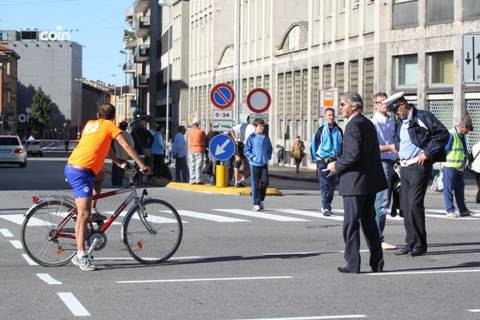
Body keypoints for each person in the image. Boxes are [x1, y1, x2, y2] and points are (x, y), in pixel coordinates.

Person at [64, 103, 150, 271]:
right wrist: (141, 164)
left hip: (76, 167)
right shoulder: (110, 126)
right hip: (81, 172)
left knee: (101, 176)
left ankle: (93, 210)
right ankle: (80, 256)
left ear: (98, 114)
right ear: (113, 117)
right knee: (83, 215)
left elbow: (103, 146)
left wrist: (117, 161)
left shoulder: (90, 124)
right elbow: (125, 145)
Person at [326, 92, 387, 274]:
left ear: (354, 107)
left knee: (351, 224)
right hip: (369, 182)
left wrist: (336, 165)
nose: (340, 107)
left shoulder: (353, 125)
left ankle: (352, 264)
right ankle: (377, 262)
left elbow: (353, 155)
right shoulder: (367, 123)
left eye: (343, 104)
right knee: (369, 223)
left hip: (355, 182)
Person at [384, 92, 449, 257]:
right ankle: (410, 242)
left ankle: (420, 245)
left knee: (414, 205)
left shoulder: (423, 116)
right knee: (405, 207)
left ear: (402, 104)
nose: (395, 114)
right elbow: (398, 138)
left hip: (419, 167)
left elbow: (442, 134)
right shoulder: (400, 121)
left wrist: (427, 153)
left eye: (396, 110)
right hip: (404, 168)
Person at [371, 92, 399, 250]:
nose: (385, 105)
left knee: (388, 200)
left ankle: (376, 236)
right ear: (375, 105)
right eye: (381, 102)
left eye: (386, 102)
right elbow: (372, 148)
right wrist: (389, 147)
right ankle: (377, 239)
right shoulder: (375, 122)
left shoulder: (391, 120)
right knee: (381, 202)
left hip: (393, 161)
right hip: (382, 162)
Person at [311, 108, 343, 216]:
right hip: (323, 161)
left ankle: (327, 204)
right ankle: (326, 207)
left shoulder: (339, 130)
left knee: (332, 185)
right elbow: (314, 144)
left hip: (334, 160)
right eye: (329, 115)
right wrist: (316, 158)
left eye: (333, 115)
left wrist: (341, 158)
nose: (331, 117)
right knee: (325, 184)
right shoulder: (320, 130)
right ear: (325, 116)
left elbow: (342, 145)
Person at [442, 114, 474, 218]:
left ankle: (463, 210)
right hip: (450, 166)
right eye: (467, 130)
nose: (468, 133)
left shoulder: (461, 135)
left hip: (459, 167)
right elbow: (444, 149)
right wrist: (441, 162)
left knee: (460, 190)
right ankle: (450, 210)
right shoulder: (452, 134)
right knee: (448, 189)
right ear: (462, 127)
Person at [244, 118, 272, 212]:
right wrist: (252, 157)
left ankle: (260, 199)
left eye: (263, 126)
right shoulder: (251, 137)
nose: (262, 128)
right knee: (255, 184)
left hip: (264, 163)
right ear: (255, 127)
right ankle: (256, 203)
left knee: (265, 182)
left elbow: (269, 148)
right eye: (260, 126)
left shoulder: (266, 137)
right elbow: (246, 150)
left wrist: (268, 157)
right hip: (254, 163)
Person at [231, 117, 255, 187]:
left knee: (247, 164)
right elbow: (231, 129)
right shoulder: (243, 125)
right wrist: (235, 138)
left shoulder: (256, 128)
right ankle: (237, 181)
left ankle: (241, 180)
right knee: (238, 162)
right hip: (240, 144)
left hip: (248, 146)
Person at [111, 121, 135, 187]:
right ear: (126, 127)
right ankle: (118, 183)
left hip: (116, 154)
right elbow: (131, 145)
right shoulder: (128, 135)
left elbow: (112, 144)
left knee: (115, 168)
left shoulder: (116, 134)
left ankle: (114, 182)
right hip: (124, 154)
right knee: (121, 169)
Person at [188, 119, 206, 184]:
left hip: (191, 149)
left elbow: (189, 140)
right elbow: (204, 139)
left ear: (193, 124)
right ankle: (198, 180)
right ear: (198, 124)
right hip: (199, 149)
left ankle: (192, 179)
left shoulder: (189, 131)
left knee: (192, 165)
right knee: (198, 166)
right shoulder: (201, 131)